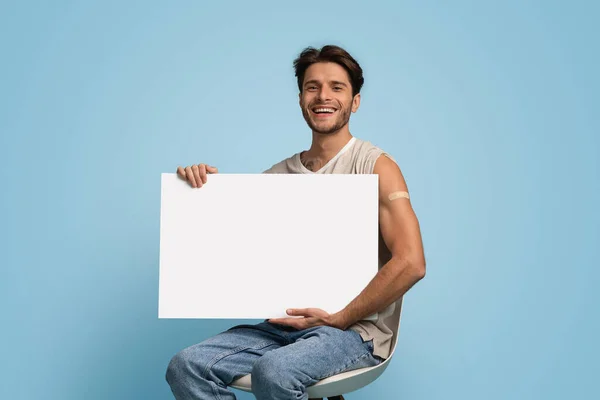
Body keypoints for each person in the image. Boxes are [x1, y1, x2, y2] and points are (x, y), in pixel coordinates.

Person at [166, 44, 426, 400]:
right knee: (186, 366)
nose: (324, 96)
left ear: (356, 101)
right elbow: (230, 251)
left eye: (337, 87)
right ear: (301, 97)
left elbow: (411, 263)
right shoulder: (276, 178)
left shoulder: (376, 166)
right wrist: (197, 189)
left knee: (274, 371)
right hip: (282, 328)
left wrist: (340, 317)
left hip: (353, 331)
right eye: (312, 86)